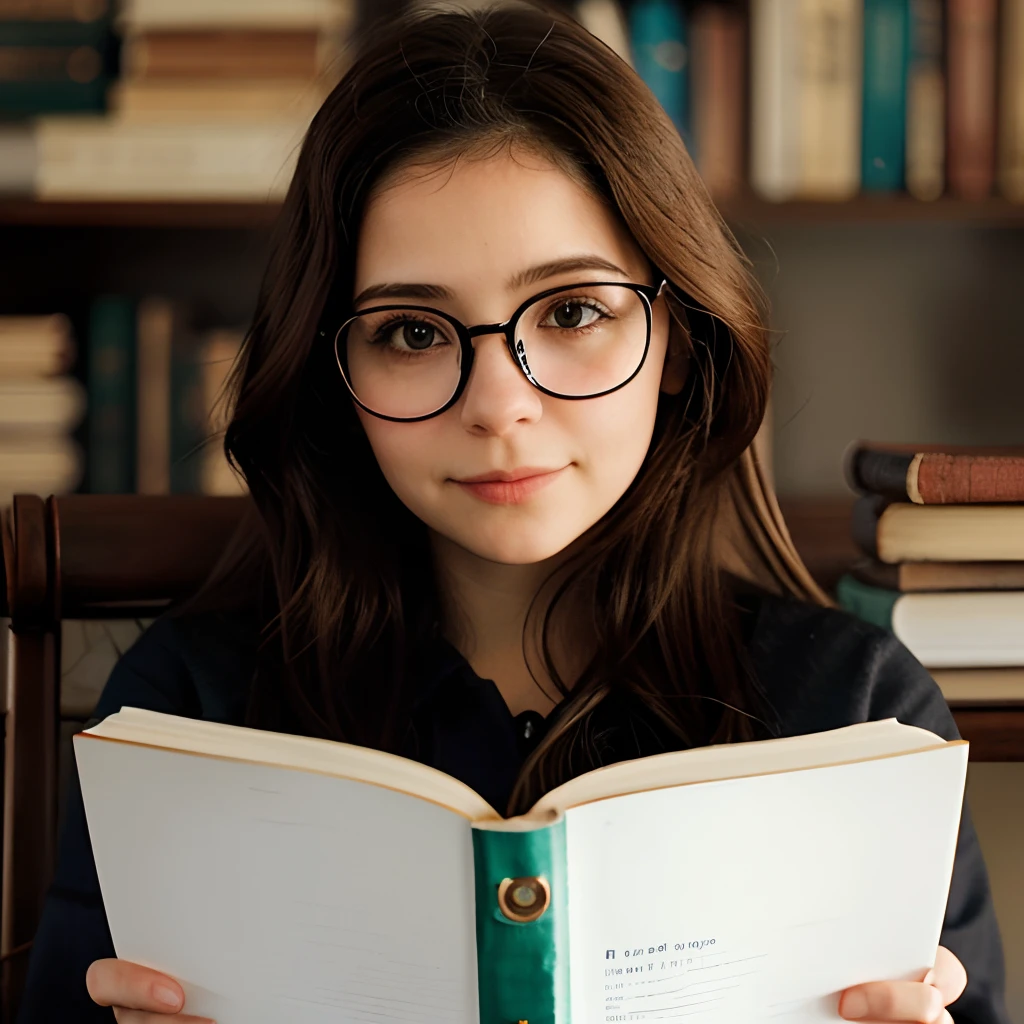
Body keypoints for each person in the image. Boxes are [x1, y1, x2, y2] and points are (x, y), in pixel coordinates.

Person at [17, 3, 1009, 1022]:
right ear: (331, 374)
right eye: (410, 331)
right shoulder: (190, 713)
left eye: (573, 312)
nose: (499, 406)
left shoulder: (852, 713)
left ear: (675, 338)